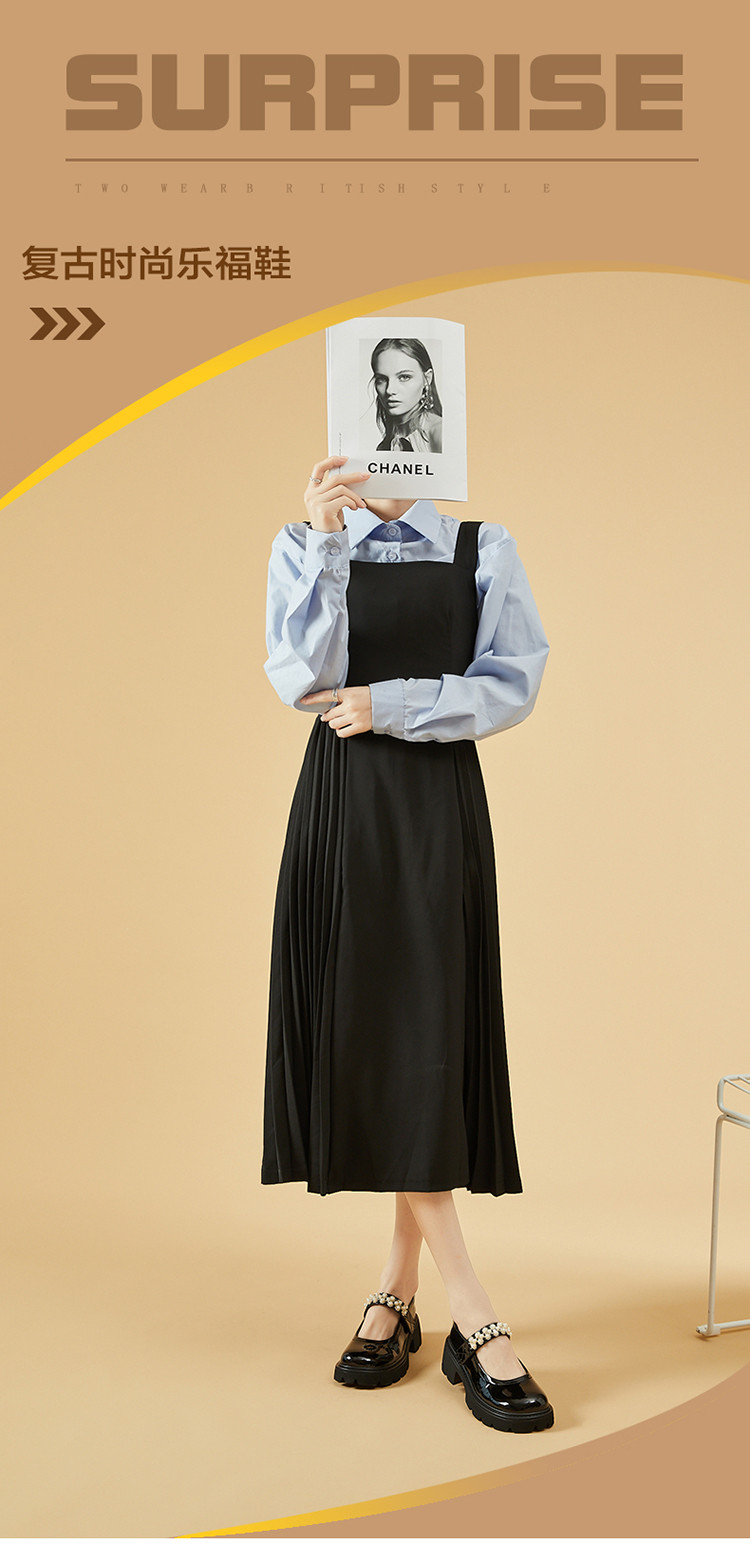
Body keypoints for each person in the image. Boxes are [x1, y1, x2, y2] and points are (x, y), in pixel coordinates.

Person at [261, 454, 554, 1434]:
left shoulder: (483, 546)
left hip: (436, 807)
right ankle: (468, 1311)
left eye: (405, 391)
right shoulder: (305, 545)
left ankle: (402, 1292)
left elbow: (512, 685)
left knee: (422, 1039)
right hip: (343, 808)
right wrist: (326, 543)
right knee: (379, 1035)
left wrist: (391, 704)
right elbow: (303, 680)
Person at [370, 338, 443, 453]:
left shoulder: (440, 432)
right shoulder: (386, 445)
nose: (389, 390)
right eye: (382, 379)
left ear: (427, 379)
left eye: (404, 377)